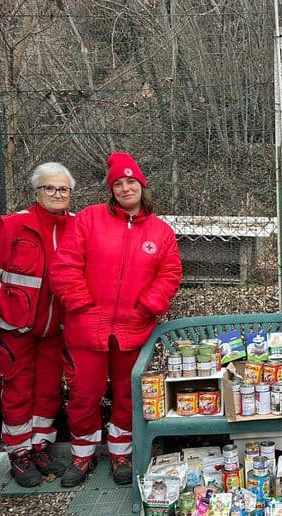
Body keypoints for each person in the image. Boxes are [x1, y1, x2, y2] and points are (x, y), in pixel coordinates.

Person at [50, 152, 182, 488]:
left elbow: (169, 275)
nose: (125, 188)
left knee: (127, 394)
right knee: (84, 394)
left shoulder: (160, 231)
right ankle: (83, 453)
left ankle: (121, 452)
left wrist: (146, 308)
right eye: (118, 183)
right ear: (112, 189)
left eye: (130, 181)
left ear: (141, 184)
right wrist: (81, 304)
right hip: (87, 329)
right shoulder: (89, 220)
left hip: (133, 330)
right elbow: (65, 265)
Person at [0, 162, 76, 487]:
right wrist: (3, 305)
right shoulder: (12, 225)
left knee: (47, 391)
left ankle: (39, 446)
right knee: (17, 389)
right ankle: (18, 452)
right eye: (50, 188)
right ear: (37, 191)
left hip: (55, 330)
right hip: (15, 329)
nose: (57, 194)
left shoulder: (77, 227)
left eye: (63, 189)